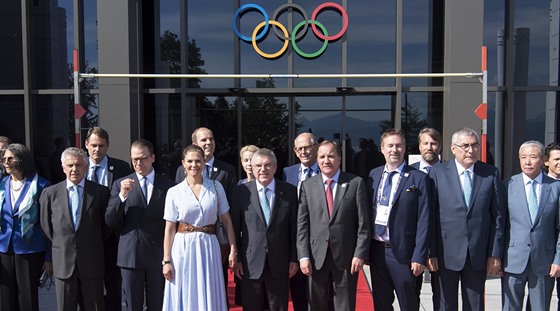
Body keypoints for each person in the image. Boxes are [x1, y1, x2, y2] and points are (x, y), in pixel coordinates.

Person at [428, 127, 505, 310]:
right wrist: (431, 252)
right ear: (453, 149)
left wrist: (494, 253)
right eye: (465, 146)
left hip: (477, 253)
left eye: (474, 145)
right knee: (444, 304)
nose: (471, 150)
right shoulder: (437, 173)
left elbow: (498, 216)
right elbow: (429, 216)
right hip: (445, 253)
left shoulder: (490, 173)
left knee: (475, 305)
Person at [297, 140, 371, 310]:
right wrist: (303, 256)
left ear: (339, 158)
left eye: (331, 156)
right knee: (316, 305)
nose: (326, 160)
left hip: (346, 257)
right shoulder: (307, 186)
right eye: (322, 157)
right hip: (316, 258)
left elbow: (363, 223)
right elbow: (302, 225)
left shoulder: (355, 183)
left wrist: (360, 254)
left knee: (344, 305)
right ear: (317, 159)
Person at [162, 145, 237, 310]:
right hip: (182, 247)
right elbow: (169, 229)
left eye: (198, 161)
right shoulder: (174, 192)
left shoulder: (216, 187)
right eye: (189, 161)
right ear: (183, 163)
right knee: (184, 288)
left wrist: (233, 249)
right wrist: (166, 260)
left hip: (209, 245)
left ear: (204, 162)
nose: (194, 165)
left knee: (209, 288)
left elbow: (226, 220)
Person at [105, 139, 175, 310]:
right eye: (134, 159)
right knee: (132, 304)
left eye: (142, 158)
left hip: (157, 252)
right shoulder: (120, 184)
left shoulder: (167, 185)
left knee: (157, 303)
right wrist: (122, 197)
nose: (138, 163)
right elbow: (110, 220)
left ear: (152, 158)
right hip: (131, 254)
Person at [39, 147, 110, 310]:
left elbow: (106, 227)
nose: (74, 169)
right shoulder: (50, 194)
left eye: (78, 165)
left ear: (85, 167)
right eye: (70, 165)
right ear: (63, 167)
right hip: (63, 261)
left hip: (92, 261)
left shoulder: (100, 192)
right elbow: (46, 226)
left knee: (95, 306)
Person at [368, 129, 430, 310]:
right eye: (390, 146)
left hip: (404, 254)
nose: (394, 150)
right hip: (378, 251)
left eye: (398, 145)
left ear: (404, 148)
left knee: (408, 304)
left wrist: (419, 256)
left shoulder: (419, 178)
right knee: (381, 303)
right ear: (382, 149)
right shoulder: (373, 175)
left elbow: (424, 220)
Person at [231, 148, 298, 311]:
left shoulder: (289, 191)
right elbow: (235, 228)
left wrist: (294, 259)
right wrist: (238, 258)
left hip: (280, 263)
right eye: (258, 165)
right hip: (250, 263)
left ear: (275, 167)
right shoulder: (242, 192)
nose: (263, 169)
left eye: (268, 165)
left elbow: (295, 229)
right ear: (252, 168)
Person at [501, 140, 560, 310]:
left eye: (533, 157)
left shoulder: (555, 187)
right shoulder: (507, 186)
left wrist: (558, 259)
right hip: (512, 260)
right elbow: (500, 226)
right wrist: (496, 257)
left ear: (543, 160)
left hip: (544, 262)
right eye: (523, 157)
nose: (527, 162)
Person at [84, 126, 132, 311]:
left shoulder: (120, 167)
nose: (97, 150)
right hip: (88, 235)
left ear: (108, 146)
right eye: (94, 145)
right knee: (89, 286)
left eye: (102, 146)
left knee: (113, 284)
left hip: (113, 235)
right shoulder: (79, 166)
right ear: (86, 144)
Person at [0, 144, 51, 311]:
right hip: (4, 248)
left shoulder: (41, 186)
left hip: (30, 249)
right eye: (4, 159)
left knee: (27, 298)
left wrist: (49, 257)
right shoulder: (2, 184)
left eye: (10, 158)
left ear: (21, 160)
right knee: (6, 297)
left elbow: (48, 225)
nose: (6, 162)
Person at [282, 132, 319, 310]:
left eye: (307, 147)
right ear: (295, 152)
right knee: (298, 290)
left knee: (320, 290)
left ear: (316, 148)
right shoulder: (288, 172)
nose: (303, 152)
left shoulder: (326, 169)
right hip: (296, 237)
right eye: (299, 149)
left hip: (320, 238)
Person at [410, 127, 443, 307]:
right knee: (412, 294)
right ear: (419, 146)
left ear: (440, 146)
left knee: (441, 296)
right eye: (425, 143)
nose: (429, 147)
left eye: (433, 143)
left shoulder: (449, 172)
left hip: (442, 244)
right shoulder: (409, 172)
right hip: (414, 244)